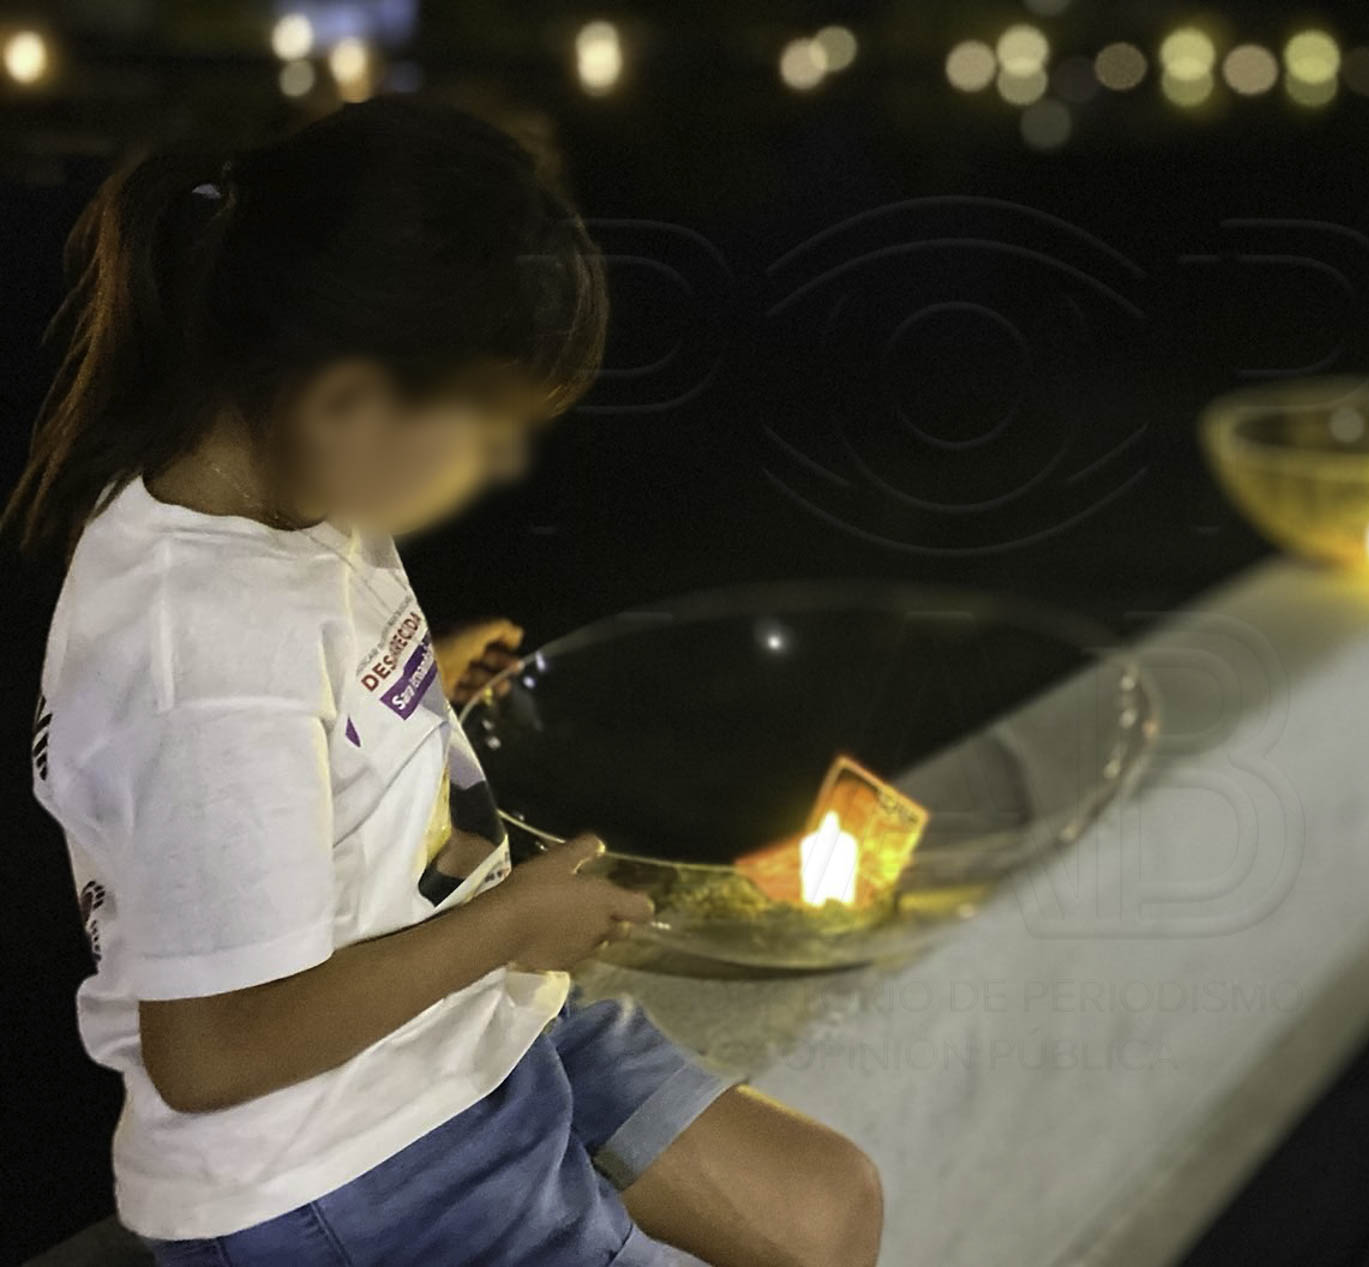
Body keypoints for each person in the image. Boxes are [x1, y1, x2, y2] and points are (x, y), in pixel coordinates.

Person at [5, 98, 882, 1267]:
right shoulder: (201, 653)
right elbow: (210, 1050)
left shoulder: (296, 497)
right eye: (481, 427)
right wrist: (519, 922)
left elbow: (284, 757)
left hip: (467, 1033)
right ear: (345, 396)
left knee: (825, 1204)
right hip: (340, 1160)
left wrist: (413, 701)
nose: (495, 465)